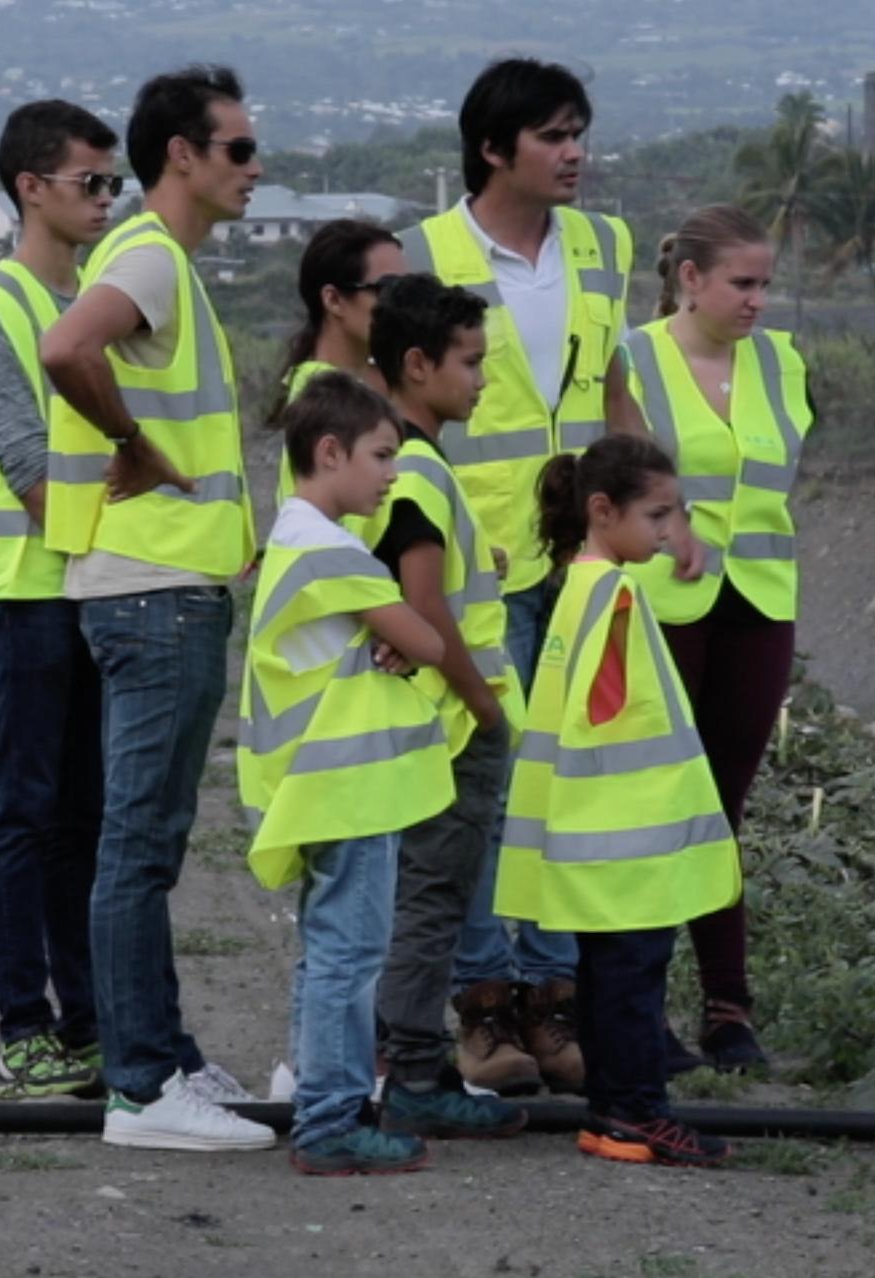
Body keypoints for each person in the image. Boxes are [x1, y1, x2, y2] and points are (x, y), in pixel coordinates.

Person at [40, 64, 271, 1152]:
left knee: (148, 840)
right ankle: (141, 1089)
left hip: (162, 594)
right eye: (236, 150)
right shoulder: (146, 258)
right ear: (179, 154)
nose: (253, 169)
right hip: (153, 596)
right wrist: (134, 445)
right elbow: (64, 347)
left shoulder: (165, 262)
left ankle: (166, 1057)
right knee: (137, 846)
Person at [396, 57, 637, 1093]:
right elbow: (398, 410)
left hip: (578, 560)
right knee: (487, 791)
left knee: (566, 786)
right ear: (493, 150)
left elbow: (612, 384)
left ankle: (550, 1003)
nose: (574, 152)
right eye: (552, 135)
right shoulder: (425, 254)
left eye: (578, 132)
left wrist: (641, 515)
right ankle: (482, 1011)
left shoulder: (603, 245)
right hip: (477, 568)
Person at [0, 99, 120, 1100]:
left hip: (92, 588)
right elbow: (27, 469)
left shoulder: (96, 302)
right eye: (89, 183)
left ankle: (88, 1022)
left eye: (112, 184)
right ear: (29, 189)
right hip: (30, 590)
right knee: (26, 811)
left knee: (85, 815)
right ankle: (24, 1029)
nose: (103, 200)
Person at [495, 432, 741, 1168]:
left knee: (607, 980)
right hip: (629, 842)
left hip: (590, 839)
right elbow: (610, 709)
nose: (670, 533)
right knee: (634, 984)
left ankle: (610, 1113)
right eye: (658, 515)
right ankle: (638, 1113)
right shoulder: (618, 595)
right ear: (603, 510)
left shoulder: (576, 584)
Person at [238, 373, 453, 1176]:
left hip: (316, 785)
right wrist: (399, 629)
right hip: (347, 786)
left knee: (329, 951)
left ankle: (319, 1105)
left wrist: (382, 630)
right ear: (329, 453)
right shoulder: (331, 551)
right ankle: (331, 1120)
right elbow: (429, 642)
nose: (394, 472)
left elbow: (388, 632)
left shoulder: (296, 539)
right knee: (350, 957)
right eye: (382, 455)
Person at [625, 205, 815, 1071]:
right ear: (690, 278)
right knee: (659, 803)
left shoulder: (783, 363)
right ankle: (638, 1011)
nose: (758, 301)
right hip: (662, 606)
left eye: (766, 284)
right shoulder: (633, 361)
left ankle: (729, 1012)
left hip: (759, 605)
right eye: (743, 283)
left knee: (721, 813)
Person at [365, 274, 535, 1128]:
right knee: (432, 905)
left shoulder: (394, 459)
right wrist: (487, 705)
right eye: (470, 363)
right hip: (454, 726)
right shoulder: (422, 472)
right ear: (418, 364)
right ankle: (417, 1081)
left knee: (411, 903)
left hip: (429, 723)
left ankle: (393, 1066)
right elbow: (425, 604)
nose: (482, 381)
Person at [270, 218, 406, 499]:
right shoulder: (324, 400)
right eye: (388, 289)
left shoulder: (365, 386)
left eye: (407, 290)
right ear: (333, 300)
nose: (402, 304)